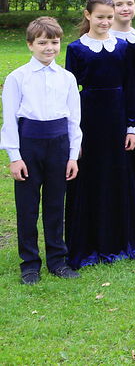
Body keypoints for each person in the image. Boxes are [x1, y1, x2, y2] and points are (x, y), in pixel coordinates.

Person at [65, 0, 135, 269]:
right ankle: (90, 241)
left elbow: (131, 87)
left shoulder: (122, 47)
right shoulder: (76, 49)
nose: (105, 22)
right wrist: (73, 135)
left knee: (117, 176)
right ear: (88, 15)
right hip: (89, 120)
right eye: (100, 17)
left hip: (117, 119)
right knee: (91, 177)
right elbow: (69, 94)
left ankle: (119, 238)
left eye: (109, 18)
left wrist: (132, 126)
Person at [2, 17, 82, 284]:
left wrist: (72, 155)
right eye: (42, 43)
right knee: (27, 207)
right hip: (30, 145)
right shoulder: (17, 78)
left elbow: (74, 120)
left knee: (55, 204)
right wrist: (15, 157)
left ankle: (57, 260)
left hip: (59, 145)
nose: (49, 48)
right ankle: (30, 263)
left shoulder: (67, 78)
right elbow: (9, 120)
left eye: (54, 42)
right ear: (30, 44)